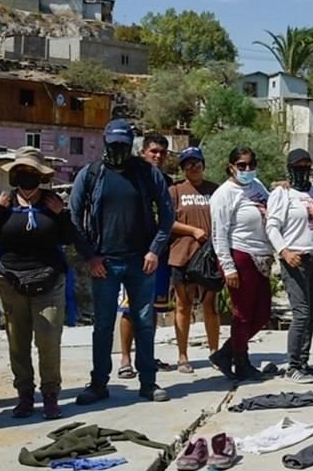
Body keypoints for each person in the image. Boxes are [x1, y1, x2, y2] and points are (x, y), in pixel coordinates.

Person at [70, 119, 174, 404]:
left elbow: (167, 215)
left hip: (141, 262)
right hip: (104, 263)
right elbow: (73, 218)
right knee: (103, 325)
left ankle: (148, 382)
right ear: (105, 141)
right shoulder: (90, 174)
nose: (118, 149)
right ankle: (99, 383)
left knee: (144, 322)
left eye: (123, 145)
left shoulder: (146, 173)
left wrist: (154, 250)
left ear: (131, 145)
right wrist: (90, 256)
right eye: (113, 144)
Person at [0, 147, 75, 419]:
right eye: (21, 171)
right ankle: (24, 395)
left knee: (48, 341)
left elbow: (69, 239)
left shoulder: (53, 203)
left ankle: (50, 395)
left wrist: (62, 214)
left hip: (49, 279)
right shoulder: (3, 203)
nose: (27, 176)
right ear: (14, 176)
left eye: (32, 172)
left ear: (41, 176)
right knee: (17, 343)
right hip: (10, 282)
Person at [266, 149, 313, 384]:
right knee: (301, 313)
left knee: (311, 314)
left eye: (307, 164)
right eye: (298, 165)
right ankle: (292, 365)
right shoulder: (281, 194)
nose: (303, 169)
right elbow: (272, 226)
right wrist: (284, 251)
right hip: (296, 258)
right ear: (290, 168)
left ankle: (304, 361)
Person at [209, 146, 274, 381]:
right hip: (240, 255)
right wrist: (228, 266)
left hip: (261, 256)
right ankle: (241, 361)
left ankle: (226, 353)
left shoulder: (257, 187)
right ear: (231, 167)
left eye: (251, 165)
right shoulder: (224, 194)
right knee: (243, 313)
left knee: (263, 312)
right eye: (242, 166)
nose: (247, 170)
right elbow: (219, 233)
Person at [117, 132, 176, 379]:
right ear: (143, 153)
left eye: (162, 152)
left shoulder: (166, 181)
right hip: (133, 251)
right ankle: (125, 358)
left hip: (159, 252)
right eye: (153, 151)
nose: (158, 156)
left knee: (152, 307)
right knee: (129, 307)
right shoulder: (130, 177)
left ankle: (146, 355)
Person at [166, 146, 220, 373]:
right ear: (183, 168)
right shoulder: (174, 191)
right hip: (182, 255)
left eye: (197, 162)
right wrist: (192, 230)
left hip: (209, 257)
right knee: (183, 305)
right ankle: (182, 356)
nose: (193, 166)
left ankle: (215, 353)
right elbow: (166, 223)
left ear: (203, 164)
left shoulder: (215, 190)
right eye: (188, 163)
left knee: (211, 305)